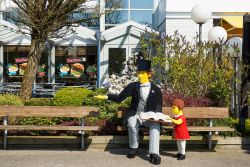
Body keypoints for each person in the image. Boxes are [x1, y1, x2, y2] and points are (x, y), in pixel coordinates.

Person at [95, 59, 162, 165]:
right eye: (138, 73)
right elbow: (119, 98)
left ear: (149, 74)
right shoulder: (133, 86)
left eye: (142, 73)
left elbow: (158, 107)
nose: (139, 76)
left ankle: (154, 153)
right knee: (131, 122)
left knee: (155, 126)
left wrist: (156, 117)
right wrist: (105, 96)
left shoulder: (156, 89)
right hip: (136, 115)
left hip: (149, 117)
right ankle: (133, 147)